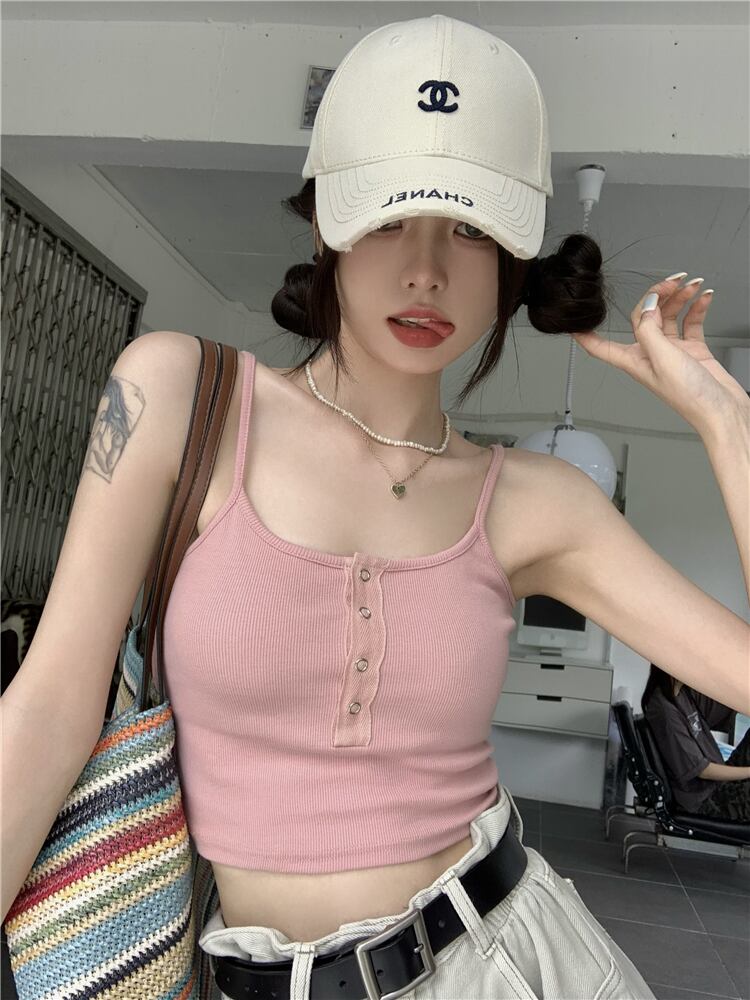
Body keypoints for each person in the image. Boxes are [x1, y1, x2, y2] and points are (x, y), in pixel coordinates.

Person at [4, 13, 748, 1000]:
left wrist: (727, 421)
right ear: (328, 224)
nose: (426, 268)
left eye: (470, 229)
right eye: (390, 217)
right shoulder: (179, 395)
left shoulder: (536, 501)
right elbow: (48, 706)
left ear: (510, 258)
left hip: (510, 965)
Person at [642, 663, 750, 821]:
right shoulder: (664, 711)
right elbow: (703, 771)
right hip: (708, 801)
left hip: (717, 786)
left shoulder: (682, 695)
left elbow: (722, 708)